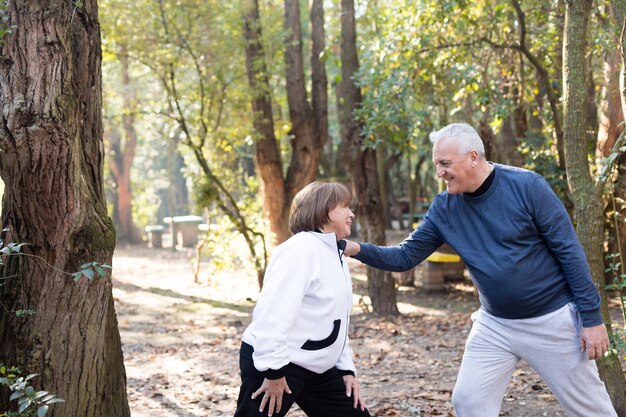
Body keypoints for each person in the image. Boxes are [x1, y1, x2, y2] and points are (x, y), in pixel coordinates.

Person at [343, 123, 617, 417]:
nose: (439, 173)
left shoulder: (527, 187)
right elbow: (404, 257)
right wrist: (352, 248)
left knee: (592, 410)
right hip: (495, 325)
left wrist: (591, 318)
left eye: (445, 164)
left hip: (551, 320)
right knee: (469, 402)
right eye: (437, 164)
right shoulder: (444, 209)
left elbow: (570, 252)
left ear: (473, 157)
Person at [234, 181, 370, 417]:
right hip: (278, 364)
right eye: (345, 207)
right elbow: (272, 314)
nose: (351, 214)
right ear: (325, 211)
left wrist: (346, 368)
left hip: (318, 367)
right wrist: (274, 372)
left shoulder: (334, 252)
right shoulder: (299, 250)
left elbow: (336, 319)